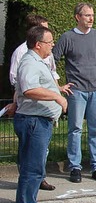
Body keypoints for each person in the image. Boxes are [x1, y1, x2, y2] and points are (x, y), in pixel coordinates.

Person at [53, 3, 96, 183]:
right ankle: (75, 167)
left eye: (92, 15)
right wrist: (58, 86)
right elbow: (51, 61)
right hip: (77, 91)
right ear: (77, 17)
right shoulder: (67, 37)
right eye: (87, 15)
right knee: (75, 129)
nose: (91, 18)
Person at [9, 14, 69, 191]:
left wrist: (57, 91)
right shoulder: (28, 60)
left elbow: (44, 81)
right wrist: (57, 97)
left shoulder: (40, 59)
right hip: (33, 120)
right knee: (32, 167)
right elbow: (28, 89)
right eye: (49, 41)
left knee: (35, 166)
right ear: (38, 44)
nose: (53, 45)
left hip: (40, 119)